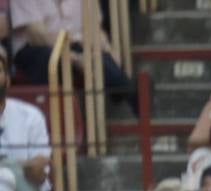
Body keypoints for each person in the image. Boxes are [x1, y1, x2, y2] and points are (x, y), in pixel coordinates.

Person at [8, 0, 139, 115]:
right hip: (35, 49)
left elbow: (96, 29)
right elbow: (37, 35)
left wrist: (107, 48)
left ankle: (133, 98)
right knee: (49, 58)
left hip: (75, 43)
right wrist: (74, 58)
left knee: (101, 59)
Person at [0, 46, 52, 191]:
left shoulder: (31, 116)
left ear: (8, 80)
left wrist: (31, 168)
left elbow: (40, 176)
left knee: (5, 176)